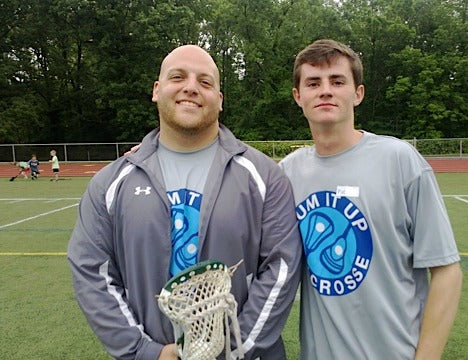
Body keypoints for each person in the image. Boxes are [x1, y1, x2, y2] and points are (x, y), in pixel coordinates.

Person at [67, 45, 302, 360]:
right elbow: (90, 271)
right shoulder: (111, 182)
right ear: (157, 90)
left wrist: (233, 348)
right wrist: (145, 352)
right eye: (178, 77)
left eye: (205, 82)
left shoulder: (264, 176)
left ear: (219, 100)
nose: (191, 87)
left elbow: (281, 269)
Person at [279, 39, 463, 359]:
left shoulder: (401, 161)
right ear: (298, 96)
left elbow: (447, 270)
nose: (325, 90)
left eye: (337, 81)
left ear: (358, 93)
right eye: (313, 82)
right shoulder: (286, 175)